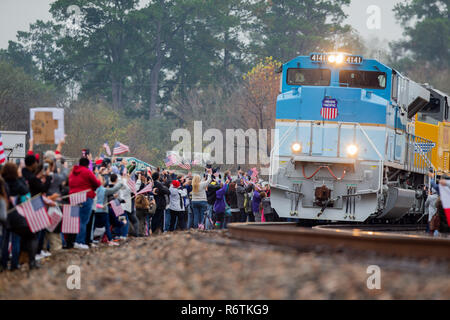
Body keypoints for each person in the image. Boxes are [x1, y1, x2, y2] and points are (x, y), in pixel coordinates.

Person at [68, 157, 101, 249]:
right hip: (85, 196)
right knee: (83, 220)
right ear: (87, 165)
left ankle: (72, 241)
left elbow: (69, 183)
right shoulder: (87, 172)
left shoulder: (72, 173)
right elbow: (97, 183)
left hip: (73, 197)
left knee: (74, 220)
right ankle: (80, 242)